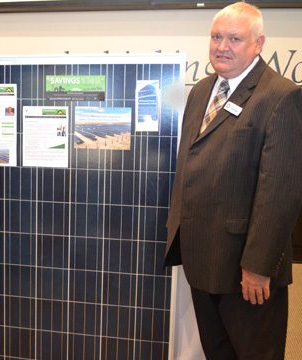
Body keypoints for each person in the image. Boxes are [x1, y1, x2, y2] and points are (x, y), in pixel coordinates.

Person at [165, 2, 302, 359]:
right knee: (218, 352)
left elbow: (281, 192)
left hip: (247, 269)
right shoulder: (202, 90)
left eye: (234, 38)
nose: (221, 46)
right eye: (216, 37)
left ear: (259, 43)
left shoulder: (281, 96)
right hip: (202, 258)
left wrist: (257, 268)